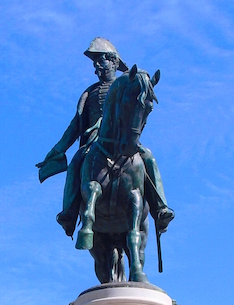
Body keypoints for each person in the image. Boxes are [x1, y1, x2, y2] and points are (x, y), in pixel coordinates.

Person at [37, 38, 174, 237]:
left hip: (124, 140)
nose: (96, 67)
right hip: (95, 140)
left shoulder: (126, 87)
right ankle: (69, 213)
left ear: (113, 62)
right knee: (76, 162)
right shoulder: (90, 93)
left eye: (100, 61)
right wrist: (57, 150)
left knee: (148, 158)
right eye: (95, 63)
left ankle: (161, 209)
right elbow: (75, 125)